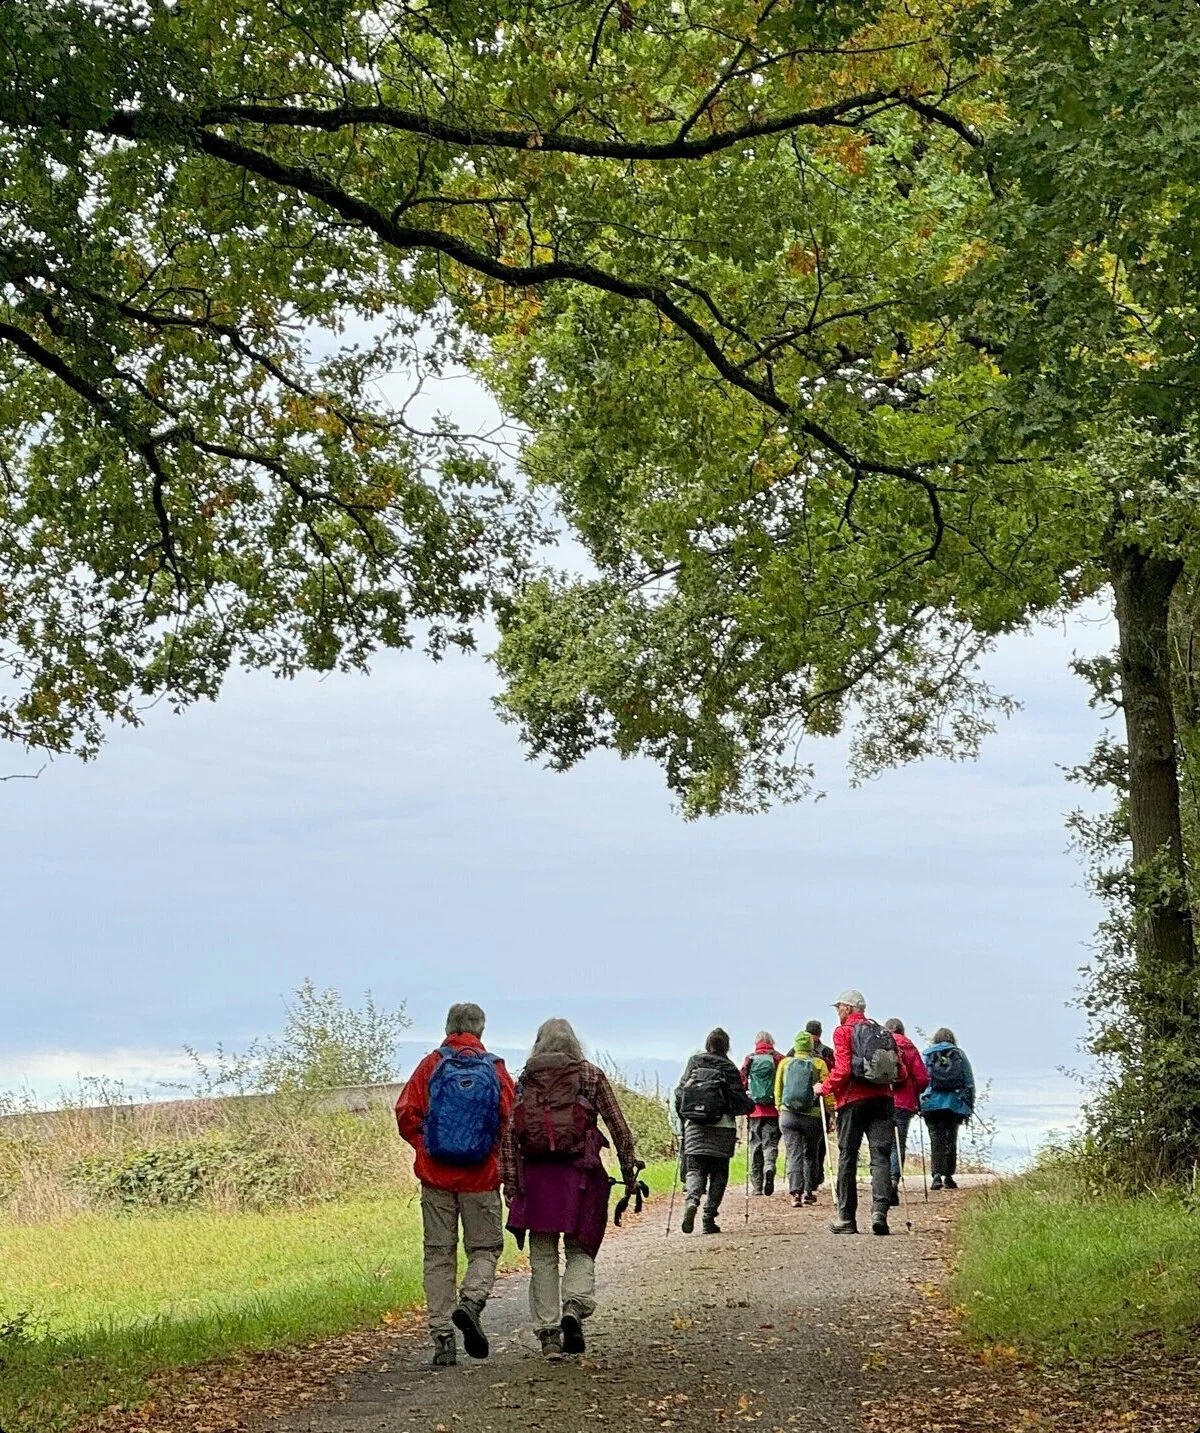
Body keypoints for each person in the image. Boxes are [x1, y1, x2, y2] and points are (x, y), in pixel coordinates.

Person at [502, 1018, 641, 1359]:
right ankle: (574, 1308)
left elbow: (509, 1134)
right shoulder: (590, 1075)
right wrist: (629, 1170)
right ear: (575, 1042)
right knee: (580, 1249)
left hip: (537, 1180)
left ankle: (548, 1335)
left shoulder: (526, 1078)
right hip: (581, 1177)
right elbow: (618, 1127)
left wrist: (510, 1182)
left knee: (544, 1258)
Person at [395, 1002, 516, 1367]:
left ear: (448, 1027)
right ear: (481, 1030)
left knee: (438, 1255)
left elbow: (405, 1114)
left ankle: (443, 1337)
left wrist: (428, 1145)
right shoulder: (495, 1069)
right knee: (485, 1249)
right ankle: (471, 1302)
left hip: (436, 1179)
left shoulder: (431, 1065)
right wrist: (488, 1148)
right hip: (480, 1177)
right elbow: (510, 1118)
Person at [818, 989, 898, 1236]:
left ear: (848, 1009)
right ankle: (879, 1213)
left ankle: (846, 1218)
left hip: (852, 1101)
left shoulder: (844, 1032)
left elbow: (842, 1070)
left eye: (839, 1007)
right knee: (881, 1157)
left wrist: (824, 1087)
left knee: (847, 1157)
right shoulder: (882, 1032)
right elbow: (901, 1071)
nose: (838, 1012)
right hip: (883, 1098)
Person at [674, 1028, 754, 1234]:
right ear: (726, 1046)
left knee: (694, 1168)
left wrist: (685, 1118)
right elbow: (738, 1099)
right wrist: (748, 1107)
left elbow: (680, 1092)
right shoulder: (729, 1067)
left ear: (707, 1044)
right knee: (719, 1173)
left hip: (694, 1126)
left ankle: (691, 1200)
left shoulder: (694, 1062)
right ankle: (709, 1218)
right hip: (722, 1127)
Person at [774, 1031, 833, 1207]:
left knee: (794, 1154)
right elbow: (827, 1092)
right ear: (811, 1046)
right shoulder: (819, 1064)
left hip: (788, 1115)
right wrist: (831, 1114)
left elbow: (778, 1090)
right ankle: (808, 1191)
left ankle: (795, 1194)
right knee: (811, 1154)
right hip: (812, 1116)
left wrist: (780, 1108)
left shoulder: (785, 1063)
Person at [920, 1026, 975, 1190]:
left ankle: (936, 1176)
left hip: (931, 1104)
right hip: (954, 1104)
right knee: (950, 1139)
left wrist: (920, 1103)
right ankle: (949, 1176)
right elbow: (969, 1082)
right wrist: (969, 1106)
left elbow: (922, 1079)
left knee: (935, 1139)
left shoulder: (928, 1054)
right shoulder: (959, 1054)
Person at [884, 1018, 929, 1206]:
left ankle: (882, 1183)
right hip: (904, 1103)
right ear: (902, 1031)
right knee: (898, 1144)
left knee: (882, 1143)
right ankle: (894, 1181)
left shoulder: (880, 1045)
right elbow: (922, 1078)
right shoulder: (909, 1048)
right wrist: (913, 1091)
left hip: (883, 1100)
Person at [741, 1031, 785, 1196]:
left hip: (754, 1111)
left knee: (755, 1146)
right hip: (774, 1110)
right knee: (770, 1143)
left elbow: (742, 1081)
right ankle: (769, 1167)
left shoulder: (750, 1059)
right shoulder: (778, 1059)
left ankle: (757, 1186)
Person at [805, 1019, 835, 1185]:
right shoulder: (827, 1052)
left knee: (802, 1142)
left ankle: (804, 1177)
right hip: (821, 1102)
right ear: (820, 1033)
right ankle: (817, 1173)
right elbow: (832, 1076)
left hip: (799, 1103)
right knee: (821, 1138)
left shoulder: (794, 1052)